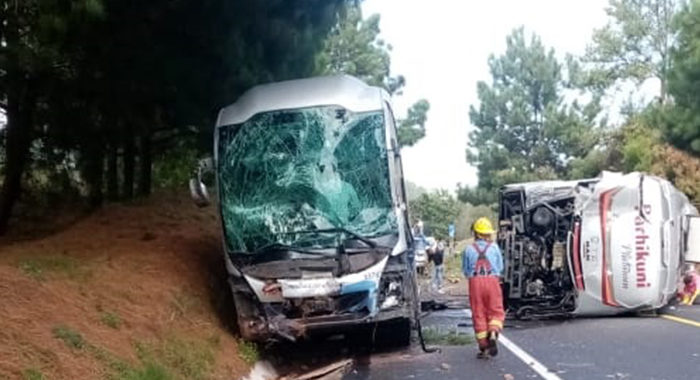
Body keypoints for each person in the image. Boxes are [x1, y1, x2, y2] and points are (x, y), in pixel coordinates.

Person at [462, 217, 505, 359]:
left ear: (475, 233)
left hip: (475, 283)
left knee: (478, 312)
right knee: (496, 310)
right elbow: (500, 268)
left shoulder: (468, 249)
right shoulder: (494, 247)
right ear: (488, 234)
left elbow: (466, 270)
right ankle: (493, 332)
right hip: (492, 281)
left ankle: (483, 347)